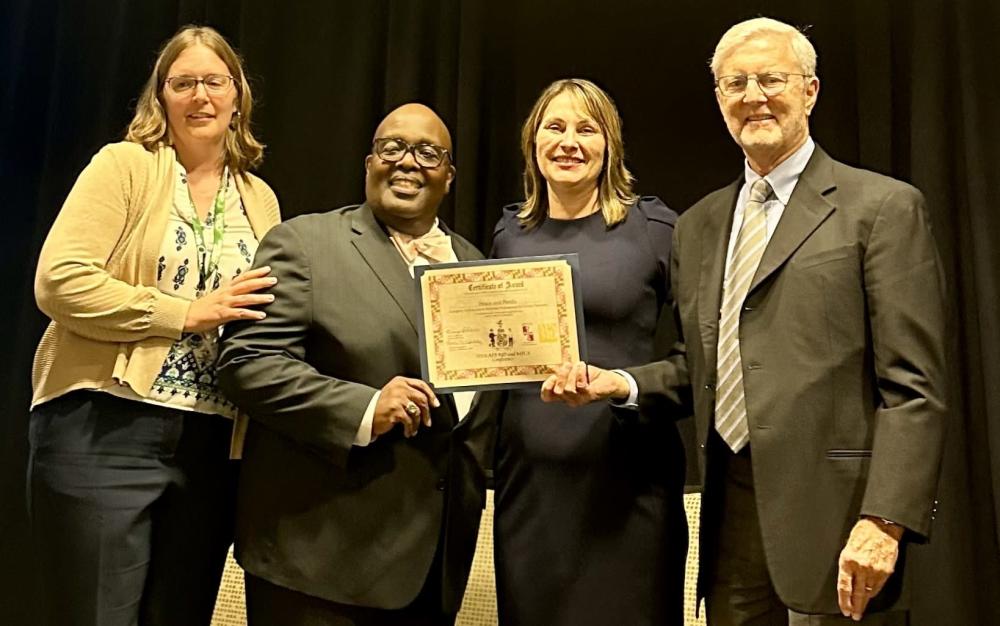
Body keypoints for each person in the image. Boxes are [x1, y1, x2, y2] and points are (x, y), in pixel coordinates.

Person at [542, 18, 947, 625]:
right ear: (719, 100)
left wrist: (885, 519)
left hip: (841, 521)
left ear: (810, 90)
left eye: (771, 79)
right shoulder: (700, 225)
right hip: (728, 517)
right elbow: (698, 367)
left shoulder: (882, 209)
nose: (753, 95)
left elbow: (913, 387)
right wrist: (619, 384)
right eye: (736, 83)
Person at [28, 25, 280, 626]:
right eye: (183, 83)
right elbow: (58, 280)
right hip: (103, 427)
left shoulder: (261, 198)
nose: (200, 97)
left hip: (211, 444)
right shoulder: (126, 167)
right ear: (160, 97)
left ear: (238, 95)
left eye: (214, 82)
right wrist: (182, 313)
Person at [216, 103, 496, 626]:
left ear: (449, 176)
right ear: (369, 163)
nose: (407, 162)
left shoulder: (478, 267)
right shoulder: (304, 244)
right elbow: (246, 363)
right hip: (318, 568)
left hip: (431, 573)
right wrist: (367, 407)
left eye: (427, 152)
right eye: (392, 148)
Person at [490, 78, 686, 625]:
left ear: (611, 145)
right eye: (554, 127)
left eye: (587, 128)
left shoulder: (656, 228)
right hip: (531, 486)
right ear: (533, 143)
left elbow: (703, 361)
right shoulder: (510, 234)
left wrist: (621, 384)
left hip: (628, 483)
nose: (569, 141)